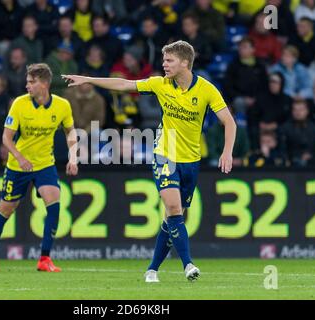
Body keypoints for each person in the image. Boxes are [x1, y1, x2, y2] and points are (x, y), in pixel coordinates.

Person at [62, 40, 236, 282]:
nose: (163, 65)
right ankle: (188, 265)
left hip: (191, 160)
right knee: (175, 208)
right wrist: (89, 79)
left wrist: (227, 152)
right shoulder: (159, 84)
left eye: (169, 60)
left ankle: (152, 269)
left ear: (185, 62)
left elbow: (229, 122)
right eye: (163, 60)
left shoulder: (206, 89)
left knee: (172, 217)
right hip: (165, 154)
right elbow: (124, 84)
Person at [0, 63, 78, 273]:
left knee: (54, 202)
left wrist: (73, 157)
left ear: (44, 84)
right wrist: (19, 157)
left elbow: (71, 132)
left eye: (31, 82)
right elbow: (6, 138)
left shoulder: (62, 105)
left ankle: (44, 258)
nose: (27, 86)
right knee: (6, 209)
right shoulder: (19, 104)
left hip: (44, 163)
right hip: (18, 165)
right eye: (27, 82)